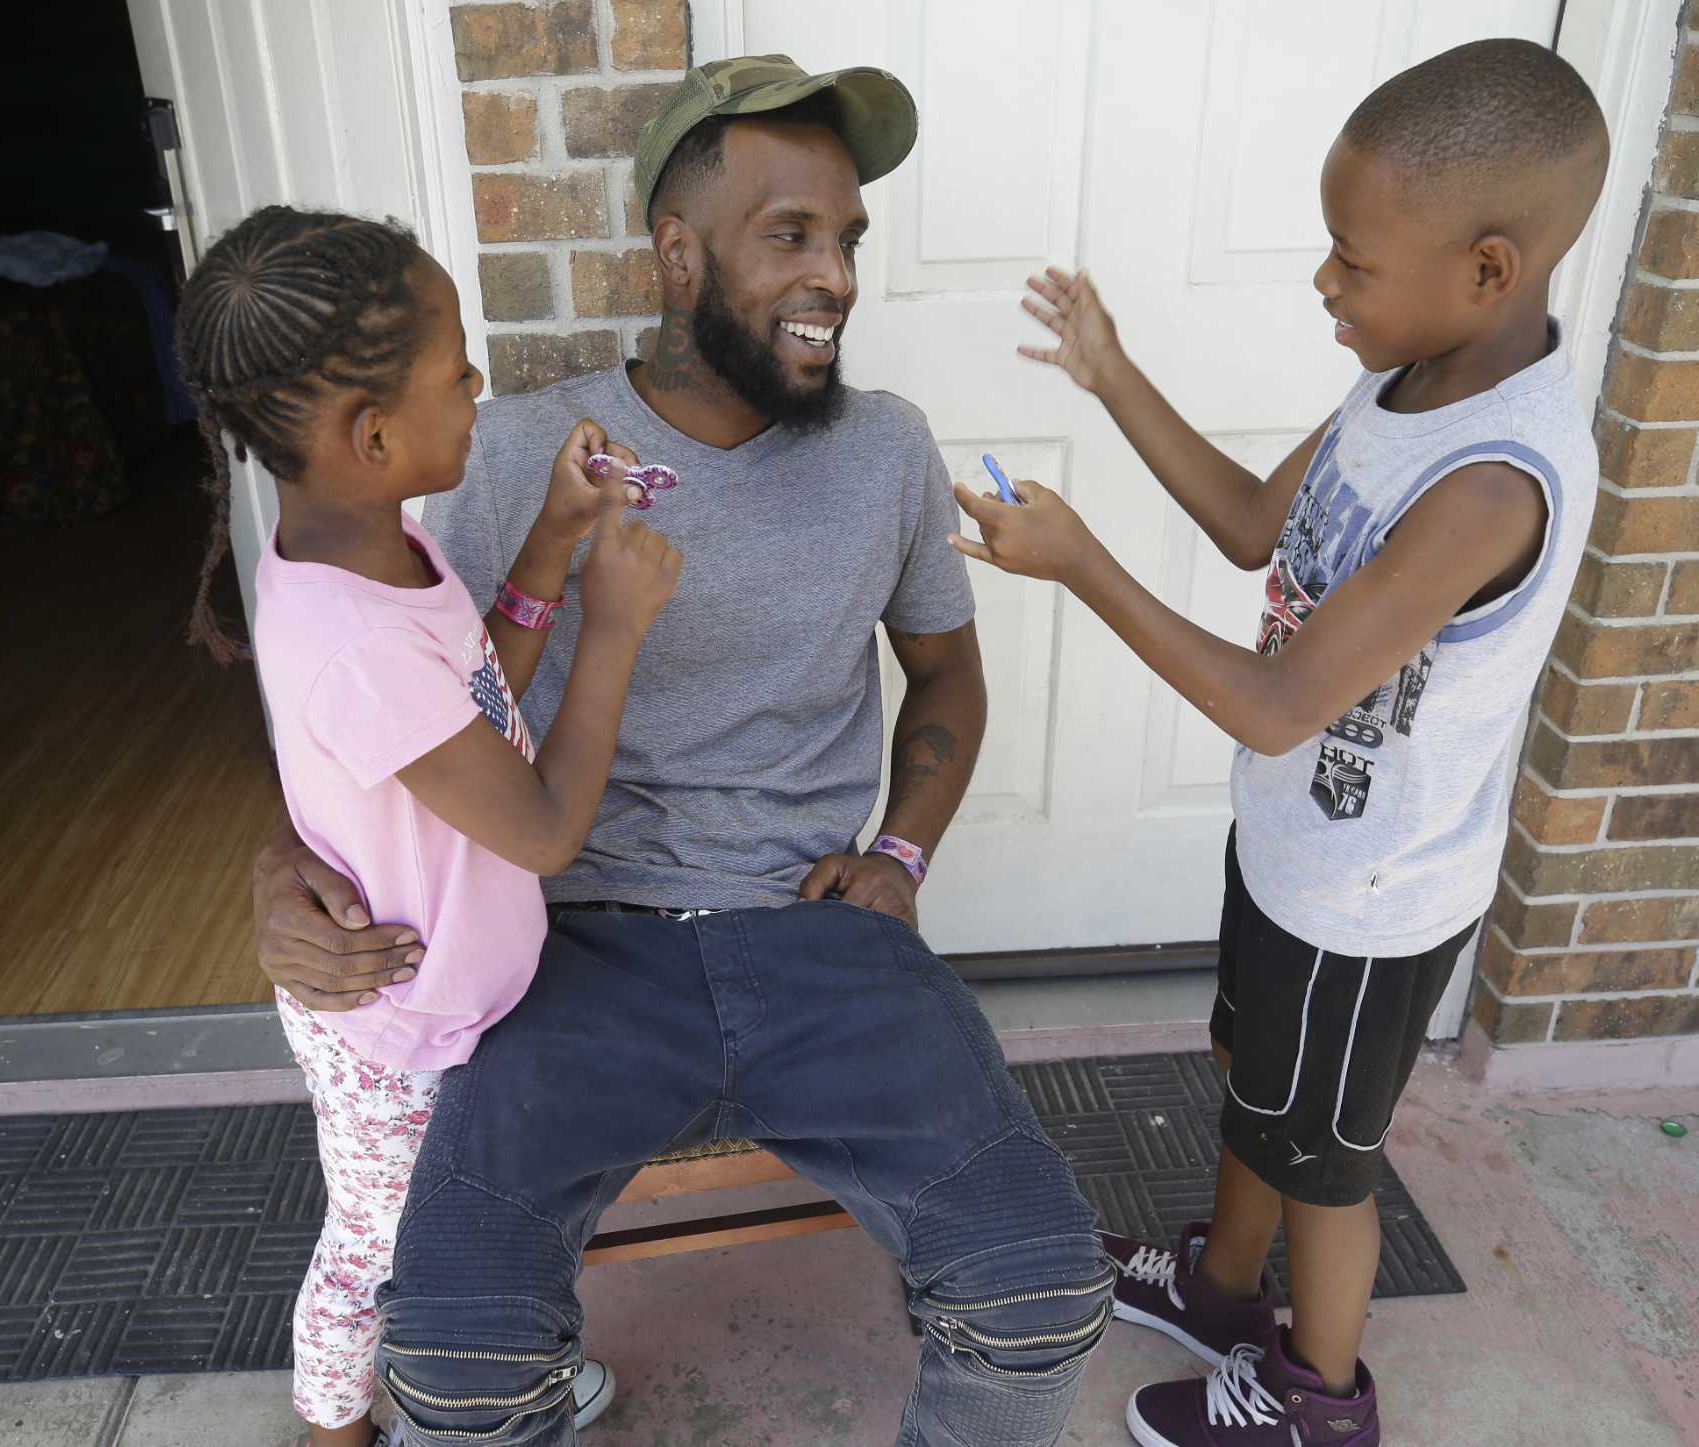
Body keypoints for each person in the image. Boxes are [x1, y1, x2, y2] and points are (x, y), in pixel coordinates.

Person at [251, 57, 1112, 1447]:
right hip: (568, 950)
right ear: (677, 252)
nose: (833, 275)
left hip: (823, 937)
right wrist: (276, 860)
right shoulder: (519, 450)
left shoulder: (887, 448)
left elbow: (947, 667)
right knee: (455, 1357)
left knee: (1041, 1284)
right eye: (790, 236)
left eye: (847, 241)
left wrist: (900, 851)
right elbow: (379, 701)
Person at [949, 39, 1609, 1447]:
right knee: (1257, 1078)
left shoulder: (1492, 483)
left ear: (1488, 268)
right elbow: (1258, 521)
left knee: (1325, 1158)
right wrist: (1113, 375)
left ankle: (1321, 1396)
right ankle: (1222, 1285)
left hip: (1372, 903)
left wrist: (1080, 565)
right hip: (1302, 844)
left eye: (1352, 261)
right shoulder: (1408, 381)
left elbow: (1273, 700)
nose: (1325, 282)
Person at [175, 206, 683, 1446]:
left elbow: (477, 702)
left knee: (477, 1220)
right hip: (397, 1028)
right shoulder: (348, 637)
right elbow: (547, 826)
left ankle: (508, 1359)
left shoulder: (380, 548)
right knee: (377, 1246)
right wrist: (613, 627)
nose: (476, 386)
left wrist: (554, 543)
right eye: (456, 369)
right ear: (372, 433)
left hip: (463, 1001)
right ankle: (335, 1426)